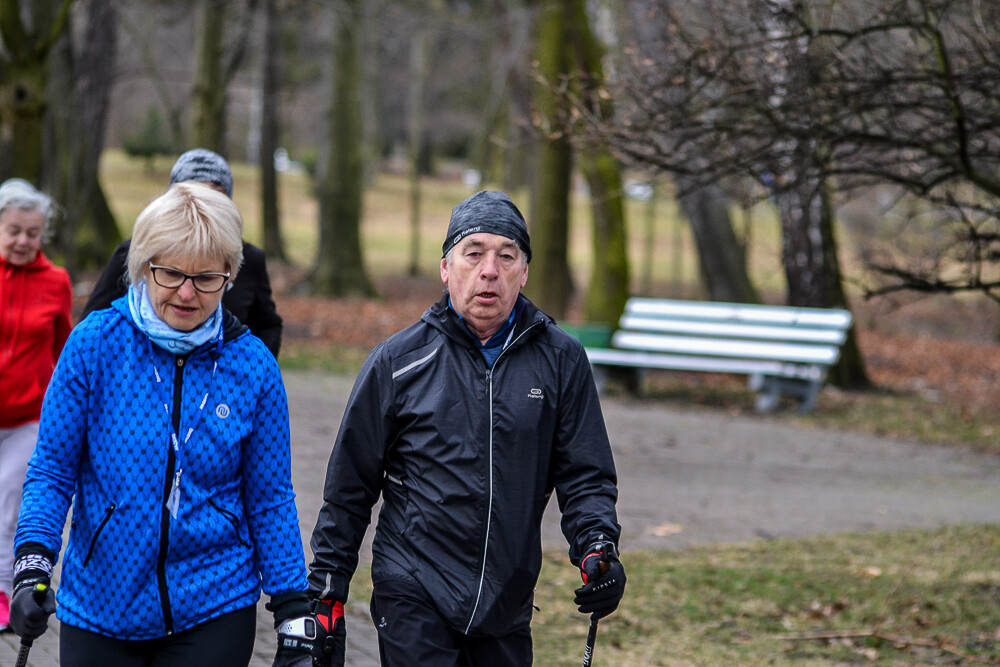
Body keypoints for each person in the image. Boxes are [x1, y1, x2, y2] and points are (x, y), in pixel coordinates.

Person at [298, 190, 626, 666]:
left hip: (507, 603)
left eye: (506, 256)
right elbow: (351, 483)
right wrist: (327, 589)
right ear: (446, 269)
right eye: (474, 254)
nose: (489, 270)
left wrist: (598, 548)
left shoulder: (561, 361)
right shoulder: (398, 361)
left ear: (524, 272)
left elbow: (585, 475)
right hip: (413, 589)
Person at [10, 183, 315, 667]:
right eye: (170, 273)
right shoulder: (94, 345)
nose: (188, 293)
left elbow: (270, 498)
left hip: (214, 603)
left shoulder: (253, 366)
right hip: (99, 604)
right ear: (143, 265)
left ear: (230, 275)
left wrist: (295, 614)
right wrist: (31, 566)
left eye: (207, 277)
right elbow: (51, 471)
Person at [82, 148, 283, 357]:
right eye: (171, 273)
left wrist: (245, 369)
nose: (202, 204)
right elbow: (95, 321)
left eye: (207, 277)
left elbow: (268, 325)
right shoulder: (137, 252)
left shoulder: (247, 258)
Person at [0, 179, 72, 633]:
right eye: (14, 231)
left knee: (10, 502)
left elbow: (68, 349)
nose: (23, 240)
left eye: (32, 232)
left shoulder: (56, 281)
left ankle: (6, 593)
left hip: (28, 417)